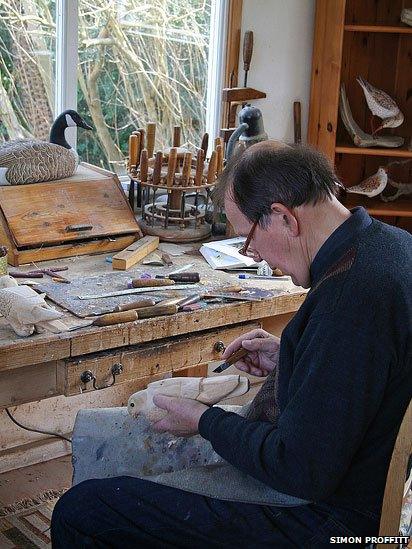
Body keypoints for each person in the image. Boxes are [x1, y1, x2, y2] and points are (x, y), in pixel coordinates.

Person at [51, 142, 411, 548]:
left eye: (248, 238)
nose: (251, 254)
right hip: (353, 482)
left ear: (282, 218)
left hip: (331, 520)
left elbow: (298, 468)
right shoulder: (391, 248)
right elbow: (361, 372)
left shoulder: (352, 297)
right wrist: (290, 357)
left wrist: (204, 421)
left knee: (83, 511)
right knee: (115, 451)